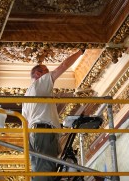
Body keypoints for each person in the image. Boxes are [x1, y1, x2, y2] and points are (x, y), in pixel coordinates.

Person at [22, 49, 84, 181]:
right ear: (39, 74)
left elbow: (25, 124)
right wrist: (81, 51)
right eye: (46, 71)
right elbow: (63, 66)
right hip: (43, 132)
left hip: (35, 136)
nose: (49, 73)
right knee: (45, 171)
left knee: (42, 170)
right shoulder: (40, 83)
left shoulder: (26, 97)